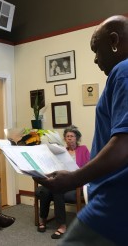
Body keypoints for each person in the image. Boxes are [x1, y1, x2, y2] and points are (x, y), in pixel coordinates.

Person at [34, 15, 128, 245]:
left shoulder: (123, 71)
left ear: (114, 41)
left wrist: (73, 179)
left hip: (114, 202)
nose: (96, 59)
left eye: (97, 50)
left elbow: (123, 145)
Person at [36, 125, 90, 239]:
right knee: (44, 190)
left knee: (57, 191)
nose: (69, 138)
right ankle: (43, 220)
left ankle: (61, 226)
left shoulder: (83, 149)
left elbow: (88, 168)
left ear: (77, 138)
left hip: (75, 182)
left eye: (72, 136)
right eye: (67, 136)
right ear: (65, 139)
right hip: (60, 180)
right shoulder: (61, 151)